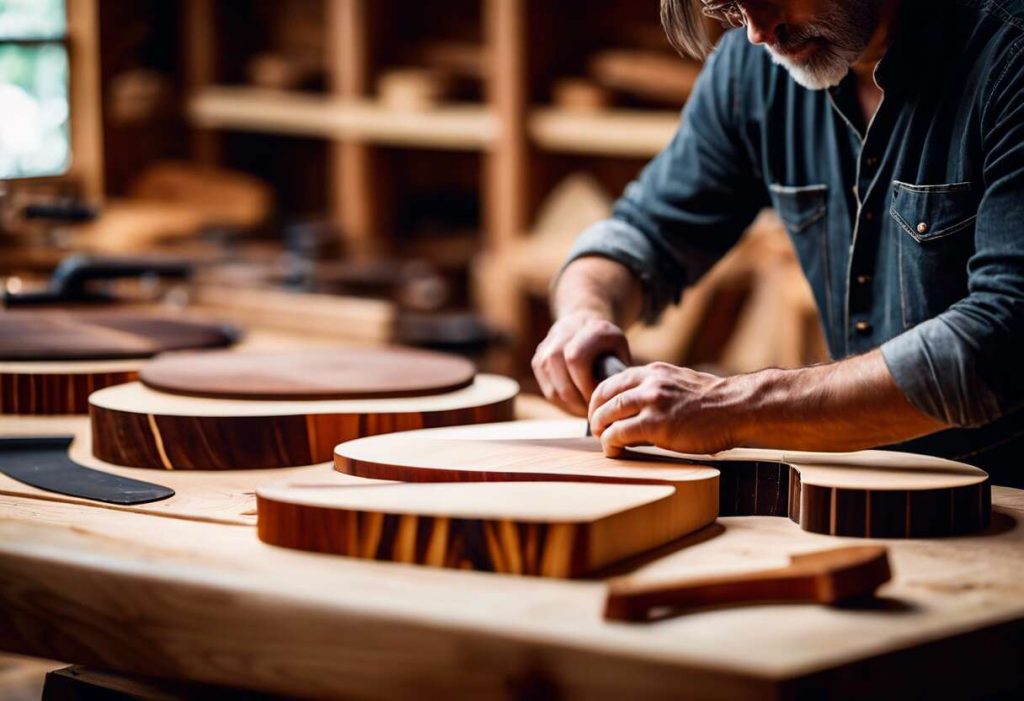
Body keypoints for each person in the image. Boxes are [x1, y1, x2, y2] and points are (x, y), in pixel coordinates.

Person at [532, 0, 1024, 487]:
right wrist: (583, 312)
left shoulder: (1008, 55)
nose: (758, 32)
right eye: (729, 7)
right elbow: (645, 231)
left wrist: (732, 407)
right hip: (875, 484)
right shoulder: (755, 70)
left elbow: (1001, 339)